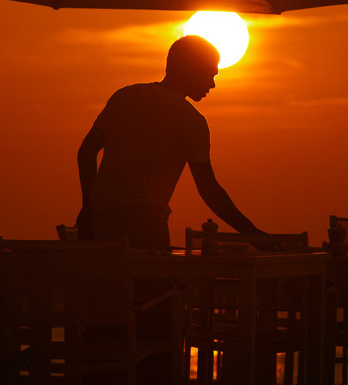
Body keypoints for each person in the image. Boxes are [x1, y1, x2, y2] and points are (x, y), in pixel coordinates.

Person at [76, 34, 262, 251]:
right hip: (147, 228)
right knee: (151, 284)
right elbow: (209, 190)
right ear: (191, 70)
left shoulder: (125, 97)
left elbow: (86, 152)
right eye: (209, 75)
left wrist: (88, 207)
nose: (212, 85)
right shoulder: (192, 120)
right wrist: (252, 233)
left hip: (101, 225)